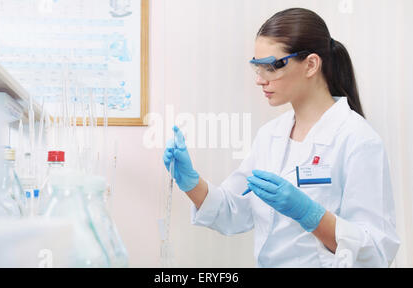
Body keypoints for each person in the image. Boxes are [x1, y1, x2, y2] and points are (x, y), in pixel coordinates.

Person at [162, 8, 400, 268]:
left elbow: (375, 252)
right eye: (257, 67)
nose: (260, 80)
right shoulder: (270, 135)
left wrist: (311, 215)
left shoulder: (358, 140)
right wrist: (190, 182)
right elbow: (235, 210)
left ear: (311, 64)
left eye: (271, 67)